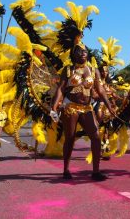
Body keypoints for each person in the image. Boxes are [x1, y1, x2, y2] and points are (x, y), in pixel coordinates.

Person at [50, 42, 115, 181]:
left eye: (85, 50)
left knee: (96, 136)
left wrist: (109, 106)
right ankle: (66, 170)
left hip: (87, 108)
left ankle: (96, 172)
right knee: (70, 137)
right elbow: (61, 89)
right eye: (79, 50)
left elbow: (100, 90)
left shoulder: (93, 70)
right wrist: (54, 106)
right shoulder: (68, 70)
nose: (83, 52)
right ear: (74, 54)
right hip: (71, 107)